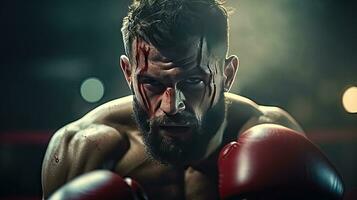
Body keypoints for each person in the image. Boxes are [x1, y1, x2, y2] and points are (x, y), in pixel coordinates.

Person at [41, 0, 344, 199]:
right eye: (152, 83)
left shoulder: (271, 130)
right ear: (128, 73)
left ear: (227, 73)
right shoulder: (83, 147)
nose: (172, 105)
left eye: (194, 82)